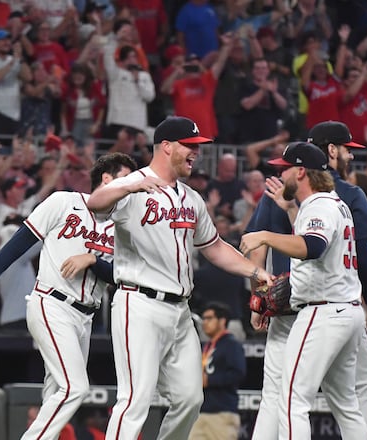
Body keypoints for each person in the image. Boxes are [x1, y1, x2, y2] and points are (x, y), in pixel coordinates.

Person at [85, 116, 272, 440]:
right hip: (139, 302)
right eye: (190, 146)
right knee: (135, 400)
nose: (196, 153)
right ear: (167, 146)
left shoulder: (191, 198)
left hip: (180, 310)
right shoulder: (132, 186)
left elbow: (213, 247)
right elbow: (94, 202)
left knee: (190, 398)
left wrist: (254, 271)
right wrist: (129, 184)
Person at [0, 153, 138, 439]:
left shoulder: (123, 226)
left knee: (55, 390)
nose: (130, 187)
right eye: (126, 179)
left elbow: (120, 277)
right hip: (52, 302)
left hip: (85, 316)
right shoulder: (64, 201)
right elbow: (21, 240)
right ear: (107, 179)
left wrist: (92, 261)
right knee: (75, 387)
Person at [245, 120, 367, 440]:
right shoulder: (340, 200)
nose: (280, 175)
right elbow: (362, 258)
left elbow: (312, 245)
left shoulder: (318, 204)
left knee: (289, 397)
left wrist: (259, 294)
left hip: (320, 309)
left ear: (302, 172)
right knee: (347, 400)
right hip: (343, 308)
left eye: (286, 169)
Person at [189, 302, 246, 440]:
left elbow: (238, 373)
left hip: (222, 413)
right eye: (203, 319)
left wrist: (209, 380)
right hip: (199, 412)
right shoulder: (204, 346)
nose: (204, 322)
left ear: (222, 321)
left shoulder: (232, 344)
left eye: (209, 318)